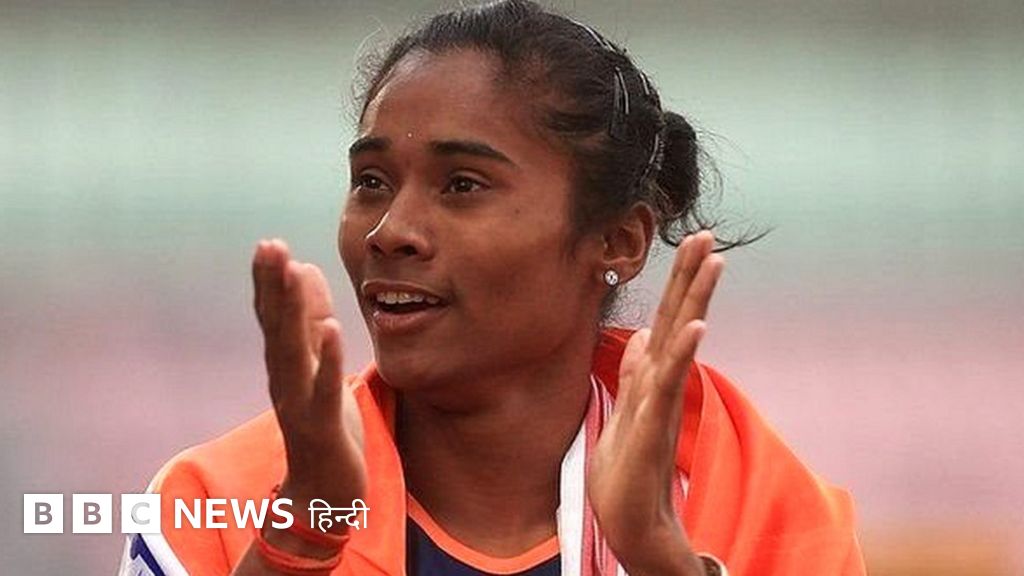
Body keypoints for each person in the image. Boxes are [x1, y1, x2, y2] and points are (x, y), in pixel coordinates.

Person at [118, 1, 865, 574]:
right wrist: (302, 535)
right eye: (371, 181)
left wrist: (658, 557)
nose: (391, 231)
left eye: (462, 184)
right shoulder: (217, 499)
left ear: (618, 240)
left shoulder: (759, 510)